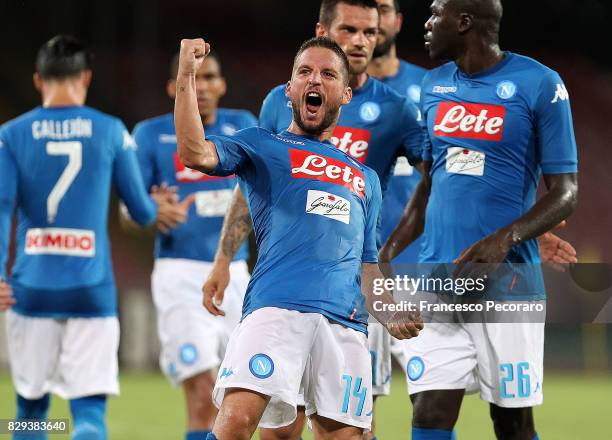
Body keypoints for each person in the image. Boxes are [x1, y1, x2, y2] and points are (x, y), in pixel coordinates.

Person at [175, 36, 423, 440]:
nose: (314, 80)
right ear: (289, 89)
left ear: (344, 94)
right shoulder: (263, 144)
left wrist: (390, 312)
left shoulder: (365, 179)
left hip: (346, 324)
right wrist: (187, 74)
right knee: (235, 424)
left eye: (327, 74)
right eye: (304, 72)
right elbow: (194, 152)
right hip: (276, 310)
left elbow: (367, 265)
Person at [379, 1, 579, 439]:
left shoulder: (540, 84)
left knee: (511, 422)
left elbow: (566, 193)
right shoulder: (434, 85)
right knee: (429, 411)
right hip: (438, 279)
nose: (426, 25)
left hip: (507, 283)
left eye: (435, 15)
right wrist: (388, 252)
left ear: (464, 22)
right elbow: (429, 185)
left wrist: (507, 238)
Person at [0, 35, 185, 440]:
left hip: (30, 289)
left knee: (29, 412)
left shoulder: (11, 135)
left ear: (37, 80)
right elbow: (139, 210)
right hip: (92, 290)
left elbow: (1, 206)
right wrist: (158, 207)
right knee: (88, 416)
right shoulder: (111, 131)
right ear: (85, 77)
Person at [126, 52, 256, 440]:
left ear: (222, 85)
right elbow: (127, 214)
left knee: (244, 396)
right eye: (192, 78)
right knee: (201, 394)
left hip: (237, 275)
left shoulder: (243, 127)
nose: (201, 86)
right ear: (174, 88)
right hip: (179, 273)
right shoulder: (149, 135)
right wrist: (150, 212)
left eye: (210, 77)